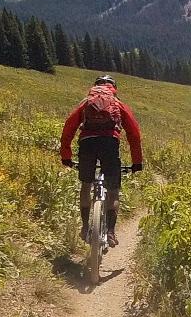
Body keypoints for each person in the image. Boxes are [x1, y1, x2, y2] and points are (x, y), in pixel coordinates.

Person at [59, 75, 143, 247]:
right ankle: (111, 232)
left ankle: (84, 227)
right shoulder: (117, 103)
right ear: (114, 88)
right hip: (109, 144)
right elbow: (134, 134)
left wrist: (66, 156)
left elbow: (68, 128)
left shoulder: (86, 102)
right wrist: (137, 162)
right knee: (113, 189)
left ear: (94, 87)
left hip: (87, 143)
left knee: (86, 185)